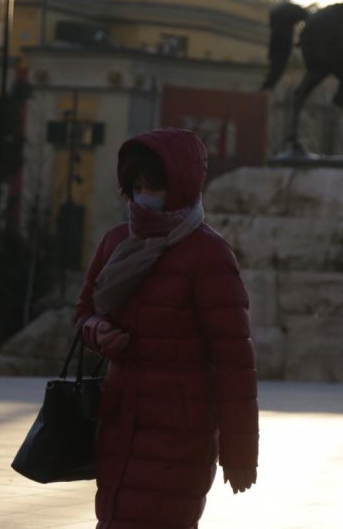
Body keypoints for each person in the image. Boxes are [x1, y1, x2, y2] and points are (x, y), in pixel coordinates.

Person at [76, 128, 259, 528]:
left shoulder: (208, 254)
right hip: (120, 422)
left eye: (154, 186)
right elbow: (85, 312)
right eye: (137, 186)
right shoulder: (117, 242)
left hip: (180, 433)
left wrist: (239, 452)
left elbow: (234, 361)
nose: (144, 196)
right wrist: (97, 332)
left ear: (180, 185)